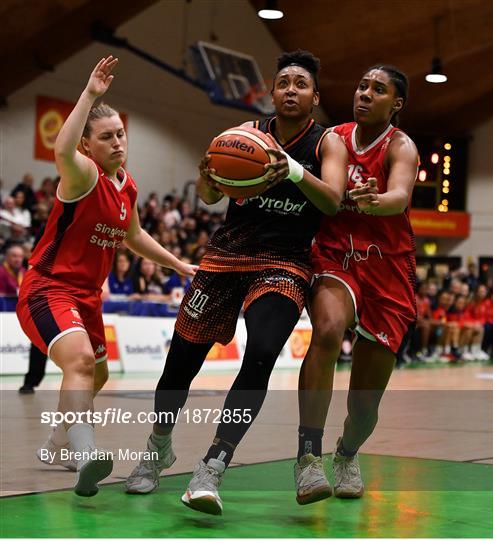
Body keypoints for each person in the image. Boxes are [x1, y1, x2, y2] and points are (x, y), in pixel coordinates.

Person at [126, 50, 348, 515]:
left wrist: (287, 167)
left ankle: (213, 465)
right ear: (272, 92)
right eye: (283, 82)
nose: (291, 89)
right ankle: (157, 448)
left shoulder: (327, 142)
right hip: (225, 256)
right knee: (179, 366)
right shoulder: (242, 136)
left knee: (263, 354)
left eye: (300, 84)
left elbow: (331, 200)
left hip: (284, 263)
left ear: (315, 96)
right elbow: (209, 196)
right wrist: (207, 177)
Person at [16, 56, 196, 497]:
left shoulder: (127, 186)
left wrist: (177, 264)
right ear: (87, 146)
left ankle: (57, 444)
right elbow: (61, 149)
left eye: (120, 134)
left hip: (87, 298)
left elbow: (133, 235)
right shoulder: (82, 174)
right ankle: (85, 452)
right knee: (78, 362)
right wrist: (90, 95)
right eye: (106, 136)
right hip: (47, 289)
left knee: (95, 376)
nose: (117, 142)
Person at [294, 64, 419, 504]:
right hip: (336, 254)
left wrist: (375, 200)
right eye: (361, 85)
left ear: (396, 104)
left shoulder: (401, 146)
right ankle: (308, 457)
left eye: (378, 89)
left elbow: (400, 197)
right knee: (327, 330)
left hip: (388, 269)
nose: (364, 93)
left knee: (364, 407)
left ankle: (346, 453)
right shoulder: (334, 138)